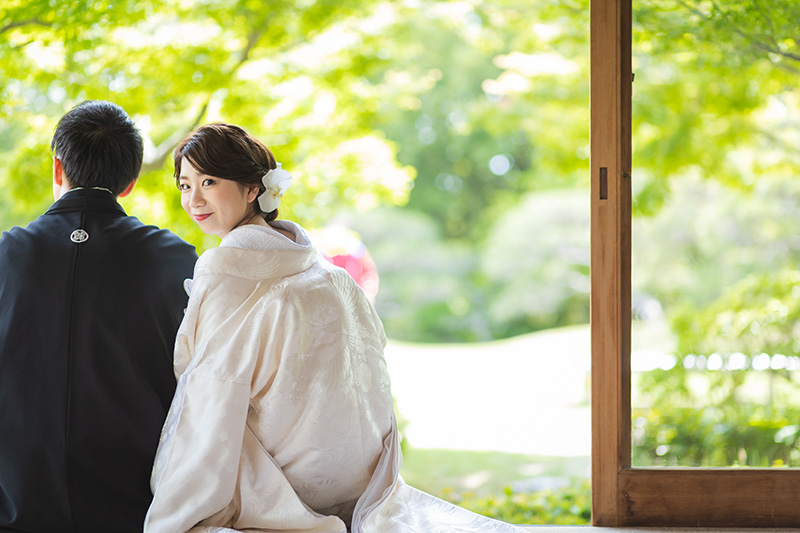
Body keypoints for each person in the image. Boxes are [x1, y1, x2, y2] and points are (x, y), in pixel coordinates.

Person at [144, 123, 524, 533]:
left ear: (252, 188)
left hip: (282, 487)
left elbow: (210, 394)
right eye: (185, 186)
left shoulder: (226, 273)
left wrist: (176, 501)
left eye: (209, 182)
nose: (194, 200)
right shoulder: (325, 272)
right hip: (358, 479)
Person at [0, 100, 198, 532]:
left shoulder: (5, 254)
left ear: (57, 168)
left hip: (16, 499)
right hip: (136, 503)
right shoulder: (175, 259)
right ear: (129, 182)